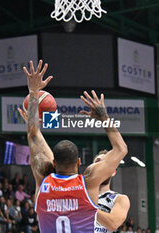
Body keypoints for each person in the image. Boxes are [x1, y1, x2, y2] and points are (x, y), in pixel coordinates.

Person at [19, 60, 128, 232]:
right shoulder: (88, 184)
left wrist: (33, 93)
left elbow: (32, 136)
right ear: (78, 162)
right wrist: (104, 118)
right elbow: (121, 149)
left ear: (54, 163)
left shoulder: (43, 179)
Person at [93, 150, 130, 233]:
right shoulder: (80, 193)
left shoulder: (120, 199)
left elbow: (113, 224)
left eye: (105, 163)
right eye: (97, 163)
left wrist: (87, 206)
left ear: (113, 172)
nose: (100, 167)